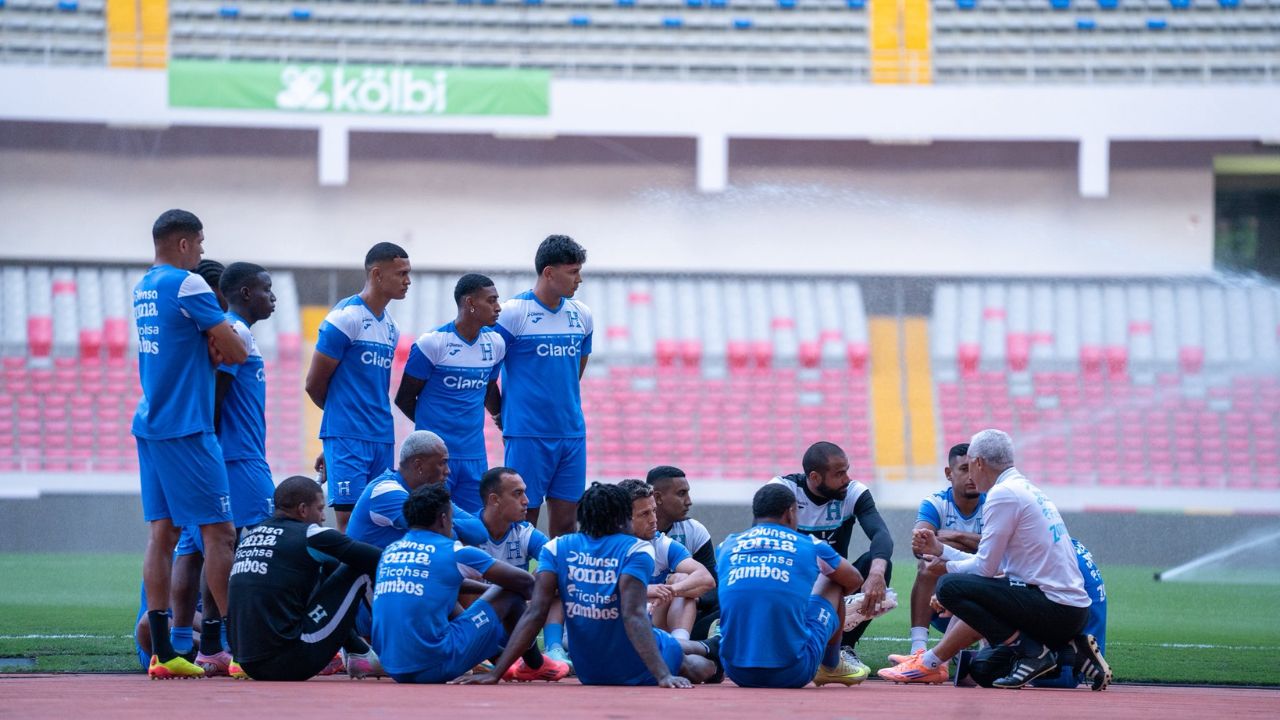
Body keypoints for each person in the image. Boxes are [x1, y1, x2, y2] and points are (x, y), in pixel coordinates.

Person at [877, 429, 1104, 689]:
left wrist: (947, 567)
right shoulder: (1023, 487)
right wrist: (941, 549)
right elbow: (999, 567)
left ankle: (935, 662)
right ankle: (1071, 653)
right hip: (1066, 610)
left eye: (970, 466)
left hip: (1054, 608)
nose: (971, 476)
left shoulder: (1002, 494)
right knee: (983, 671)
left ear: (978, 463)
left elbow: (985, 568)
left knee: (949, 587)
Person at [133, 209, 248, 679]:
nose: (202, 252)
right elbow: (236, 350)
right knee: (219, 533)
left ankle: (164, 654)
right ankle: (243, 649)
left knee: (162, 535)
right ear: (183, 244)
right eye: (199, 244)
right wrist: (214, 338)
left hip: (150, 422)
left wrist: (206, 339)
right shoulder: (189, 284)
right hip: (187, 426)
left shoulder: (144, 287)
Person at [460, 482, 717, 688]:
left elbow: (535, 612)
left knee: (668, 644)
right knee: (693, 666)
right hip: (637, 662)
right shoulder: (636, 549)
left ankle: (708, 648)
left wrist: (498, 673)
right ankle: (715, 659)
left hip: (589, 670)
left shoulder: (556, 547)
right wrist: (662, 676)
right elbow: (633, 614)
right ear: (621, 517)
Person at [371, 483, 571, 683]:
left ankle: (507, 660)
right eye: (452, 518)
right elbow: (526, 583)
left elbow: (434, 585)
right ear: (443, 520)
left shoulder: (390, 551)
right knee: (510, 592)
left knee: (439, 597)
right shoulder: (455, 551)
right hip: (434, 664)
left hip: (391, 666)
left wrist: (487, 589)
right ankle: (531, 665)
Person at [187, 262, 278, 675]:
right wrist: (212, 454)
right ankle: (245, 642)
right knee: (259, 547)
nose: (272, 297)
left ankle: (210, 646)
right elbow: (215, 399)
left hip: (236, 456)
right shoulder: (234, 332)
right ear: (244, 293)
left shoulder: (238, 332)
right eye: (266, 289)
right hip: (238, 459)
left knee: (217, 548)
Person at [226, 476, 384, 681]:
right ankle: (393, 650)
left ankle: (359, 651)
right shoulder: (310, 534)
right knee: (359, 569)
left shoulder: (251, 536)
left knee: (329, 565)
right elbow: (379, 558)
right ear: (303, 510)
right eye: (319, 509)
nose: (322, 518)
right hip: (289, 660)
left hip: (246, 662)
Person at [717, 483, 870, 688]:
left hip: (735, 671)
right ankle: (832, 665)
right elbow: (853, 580)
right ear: (790, 512)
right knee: (833, 581)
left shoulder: (726, 545)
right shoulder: (810, 544)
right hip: (793, 671)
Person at [306, 242, 411, 532]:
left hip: (381, 435)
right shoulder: (346, 317)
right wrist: (338, 432)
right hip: (349, 436)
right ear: (377, 274)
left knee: (379, 519)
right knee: (348, 520)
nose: (408, 281)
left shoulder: (391, 327)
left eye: (408, 273)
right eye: (401, 273)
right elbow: (314, 384)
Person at [493, 235, 592, 538]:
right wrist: (501, 414)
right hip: (527, 434)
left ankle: (556, 585)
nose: (579, 279)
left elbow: (576, 371)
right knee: (523, 522)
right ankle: (521, 585)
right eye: (573, 272)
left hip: (571, 433)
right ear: (549, 272)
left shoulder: (582, 315)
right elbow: (486, 373)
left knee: (565, 525)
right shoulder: (512, 313)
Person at [769, 441, 893, 674]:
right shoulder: (783, 489)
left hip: (834, 582)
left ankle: (844, 647)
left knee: (876, 564)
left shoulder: (853, 492)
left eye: (847, 470)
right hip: (791, 579)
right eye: (839, 474)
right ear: (815, 477)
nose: (847, 478)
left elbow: (881, 533)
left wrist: (876, 572)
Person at [395, 273, 506, 515]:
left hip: (474, 456)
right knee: (432, 522)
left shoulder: (496, 344)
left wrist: (502, 419)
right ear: (470, 303)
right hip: (434, 457)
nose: (498, 308)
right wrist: (432, 426)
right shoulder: (432, 343)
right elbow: (403, 398)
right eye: (492, 300)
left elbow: (488, 388)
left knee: (473, 528)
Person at [893, 442, 984, 660]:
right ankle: (918, 650)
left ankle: (982, 651)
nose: (971, 477)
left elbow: (1000, 550)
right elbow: (922, 547)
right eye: (964, 469)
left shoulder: (993, 502)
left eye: (975, 470)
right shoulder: (935, 503)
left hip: (983, 592)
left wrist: (952, 536)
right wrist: (977, 544)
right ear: (948, 473)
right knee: (927, 567)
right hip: (941, 603)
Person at [346, 431, 487, 549]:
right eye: (442, 463)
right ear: (419, 466)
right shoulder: (386, 492)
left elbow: (480, 532)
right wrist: (447, 523)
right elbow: (440, 535)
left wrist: (447, 522)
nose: (448, 471)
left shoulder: (430, 494)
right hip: (369, 579)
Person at [618, 479, 715, 641]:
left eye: (654, 511)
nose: (654, 519)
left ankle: (680, 645)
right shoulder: (607, 545)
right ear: (623, 518)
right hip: (613, 622)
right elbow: (599, 589)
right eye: (644, 514)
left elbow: (706, 579)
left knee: (682, 579)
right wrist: (648, 590)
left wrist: (671, 590)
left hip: (650, 619)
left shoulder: (661, 543)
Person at [647, 465, 719, 639]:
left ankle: (681, 645)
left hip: (684, 611)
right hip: (641, 609)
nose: (689, 501)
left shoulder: (694, 530)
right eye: (681, 493)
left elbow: (712, 584)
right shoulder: (630, 535)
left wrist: (687, 595)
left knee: (729, 603)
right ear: (658, 497)